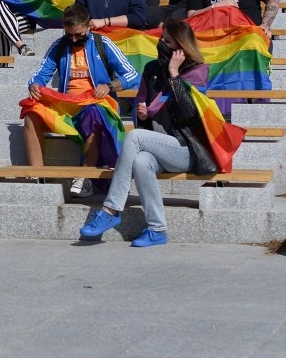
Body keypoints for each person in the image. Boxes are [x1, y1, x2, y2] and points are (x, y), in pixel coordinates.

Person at [79, 19, 234, 247]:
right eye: (162, 39)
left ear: (181, 46)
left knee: (135, 137)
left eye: (168, 41)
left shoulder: (197, 71)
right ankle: (157, 229)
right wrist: (142, 115)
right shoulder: (151, 69)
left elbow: (189, 113)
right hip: (159, 145)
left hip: (186, 149)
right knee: (141, 161)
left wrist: (173, 74)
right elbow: (141, 107)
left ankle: (111, 209)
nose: (162, 43)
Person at [24, 4, 140, 198]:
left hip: (96, 103)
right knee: (30, 112)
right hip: (66, 105)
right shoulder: (59, 45)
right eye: (69, 35)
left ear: (89, 27)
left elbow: (133, 75)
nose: (74, 39)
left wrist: (110, 86)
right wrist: (34, 85)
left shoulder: (103, 43)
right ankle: (37, 175)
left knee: (94, 114)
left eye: (78, 35)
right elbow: (40, 74)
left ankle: (83, 176)